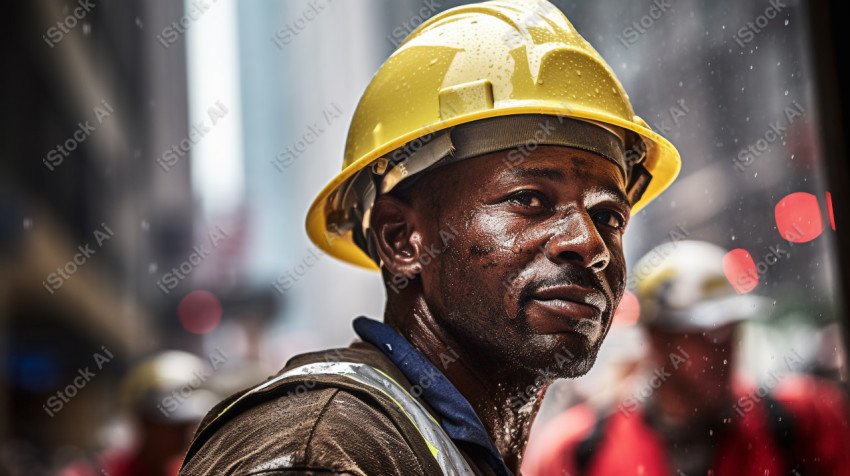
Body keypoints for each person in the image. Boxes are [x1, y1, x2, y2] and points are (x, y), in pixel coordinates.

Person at [179, 0, 681, 474]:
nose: (591, 245)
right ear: (401, 241)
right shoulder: (322, 450)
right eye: (528, 199)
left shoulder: (429, 444)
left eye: (610, 217)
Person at [521, 240, 850, 476]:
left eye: (731, 331)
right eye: (707, 336)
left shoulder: (802, 420)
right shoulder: (577, 450)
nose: (725, 353)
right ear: (656, 338)